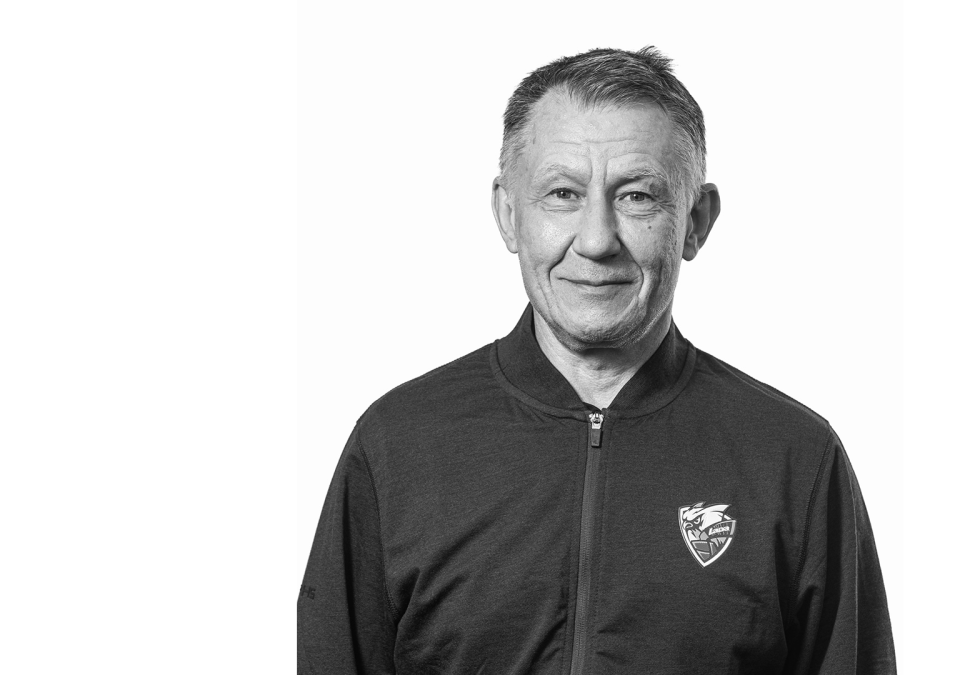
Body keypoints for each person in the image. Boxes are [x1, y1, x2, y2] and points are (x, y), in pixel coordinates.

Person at [299, 46, 896, 675]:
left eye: (636, 196)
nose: (595, 240)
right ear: (508, 214)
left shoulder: (795, 459)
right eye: (562, 194)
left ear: (696, 221)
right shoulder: (397, 445)